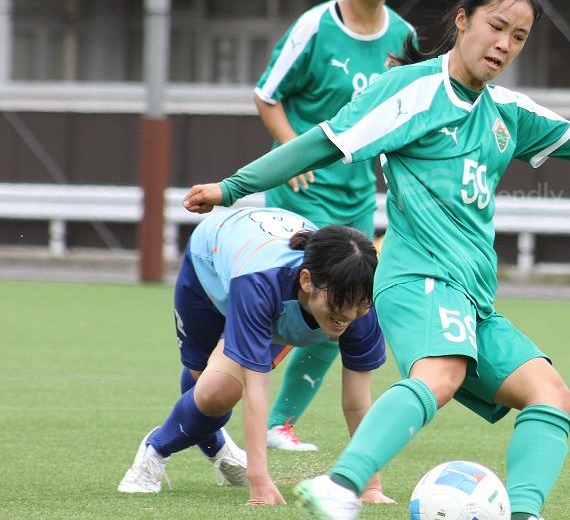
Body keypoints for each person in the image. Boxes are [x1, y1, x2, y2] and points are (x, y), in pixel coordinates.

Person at [183, 0, 570, 520]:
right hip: (417, 279)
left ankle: (523, 513)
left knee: (549, 394)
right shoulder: (410, 91)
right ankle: (341, 485)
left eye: (518, 37)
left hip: (472, 296)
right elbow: (322, 141)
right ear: (462, 20)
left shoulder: (507, 112)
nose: (504, 44)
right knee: (440, 375)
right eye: (497, 26)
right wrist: (232, 187)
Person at [253, 0, 414, 464]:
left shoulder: (404, 37)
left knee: (343, 309)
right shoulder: (314, 27)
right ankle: (223, 392)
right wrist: (288, 151)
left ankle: (278, 423)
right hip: (301, 194)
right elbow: (267, 95)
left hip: (356, 197)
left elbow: (409, 113)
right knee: (291, 304)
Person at [117, 207, 384, 507]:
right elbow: (256, 387)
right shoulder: (260, 284)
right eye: (341, 302)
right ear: (307, 281)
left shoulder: (361, 304)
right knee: (213, 389)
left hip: (267, 291)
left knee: (218, 390)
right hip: (211, 263)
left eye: (361, 303)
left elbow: (357, 404)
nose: (349, 314)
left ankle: (194, 448)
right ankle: (157, 448)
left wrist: (370, 485)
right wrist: (259, 480)